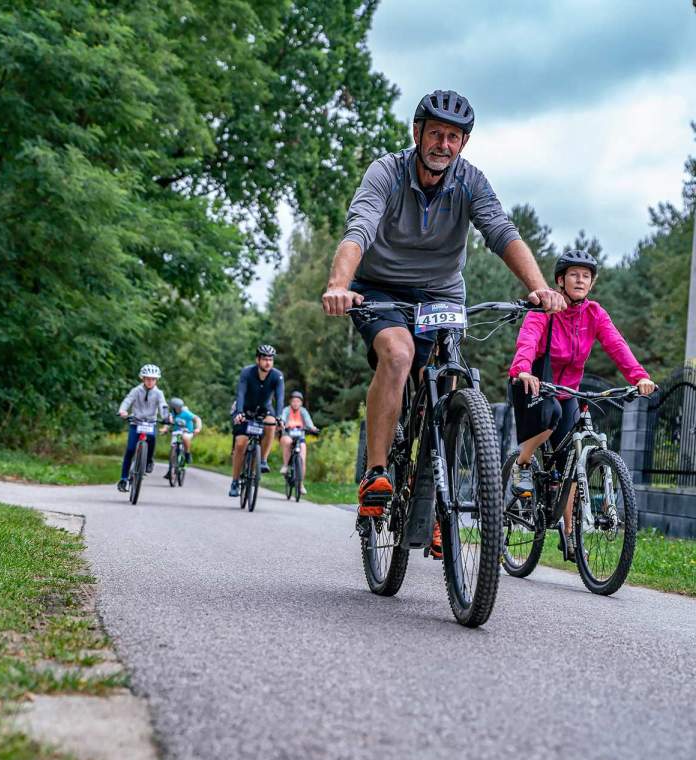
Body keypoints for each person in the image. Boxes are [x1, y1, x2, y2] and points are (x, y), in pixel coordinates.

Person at [321, 89, 565, 556]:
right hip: (382, 289)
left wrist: (538, 287)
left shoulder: (470, 181)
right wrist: (338, 284)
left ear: (464, 143)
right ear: (418, 133)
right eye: (436, 133)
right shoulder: (386, 172)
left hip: (441, 295)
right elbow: (360, 229)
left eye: (454, 137)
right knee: (398, 354)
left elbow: (500, 230)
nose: (444, 144)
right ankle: (377, 476)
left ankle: (433, 503)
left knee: (450, 383)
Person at [508, 249, 655, 557]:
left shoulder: (594, 314)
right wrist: (522, 368)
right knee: (553, 414)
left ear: (592, 283)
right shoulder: (547, 308)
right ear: (560, 280)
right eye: (574, 274)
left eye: (586, 276)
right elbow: (528, 339)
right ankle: (522, 464)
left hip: (569, 391)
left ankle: (571, 534)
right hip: (535, 384)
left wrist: (638, 376)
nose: (580, 280)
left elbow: (616, 344)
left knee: (572, 463)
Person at [228, 344, 285, 497]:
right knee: (240, 444)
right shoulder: (247, 372)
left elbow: (279, 398)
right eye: (265, 359)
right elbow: (240, 393)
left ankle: (263, 460)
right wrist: (239, 412)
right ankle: (234, 481)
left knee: (271, 423)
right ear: (257, 360)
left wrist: (279, 416)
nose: (268, 362)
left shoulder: (277, 376)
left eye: (270, 360)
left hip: (264, 410)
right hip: (245, 410)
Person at [117, 364, 168, 492]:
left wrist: (167, 417)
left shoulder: (159, 393)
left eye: (153, 379)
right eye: (147, 379)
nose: (150, 381)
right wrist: (122, 411)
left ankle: (149, 460)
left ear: (156, 380)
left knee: (152, 439)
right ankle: (123, 479)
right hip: (136, 422)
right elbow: (127, 401)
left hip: (150, 422)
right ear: (142, 378)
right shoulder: (136, 390)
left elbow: (163, 406)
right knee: (129, 450)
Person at [278, 390, 319, 495]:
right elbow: (282, 418)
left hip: (300, 437)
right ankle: (286, 466)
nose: (295, 403)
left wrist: (313, 428)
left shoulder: (303, 411)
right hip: (288, 435)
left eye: (298, 401)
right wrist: (282, 423)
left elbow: (309, 422)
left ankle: (300, 485)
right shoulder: (287, 410)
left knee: (302, 458)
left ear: (301, 403)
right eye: (293, 401)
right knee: (287, 442)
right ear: (290, 402)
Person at [162, 397, 202, 479]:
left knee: (184, 438)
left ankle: (187, 454)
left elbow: (197, 419)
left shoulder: (186, 413)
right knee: (173, 449)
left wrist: (198, 428)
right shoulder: (173, 413)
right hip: (177, 432)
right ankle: (170, 470)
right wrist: (165, 429)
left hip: (187, 432)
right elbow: (169, 422)